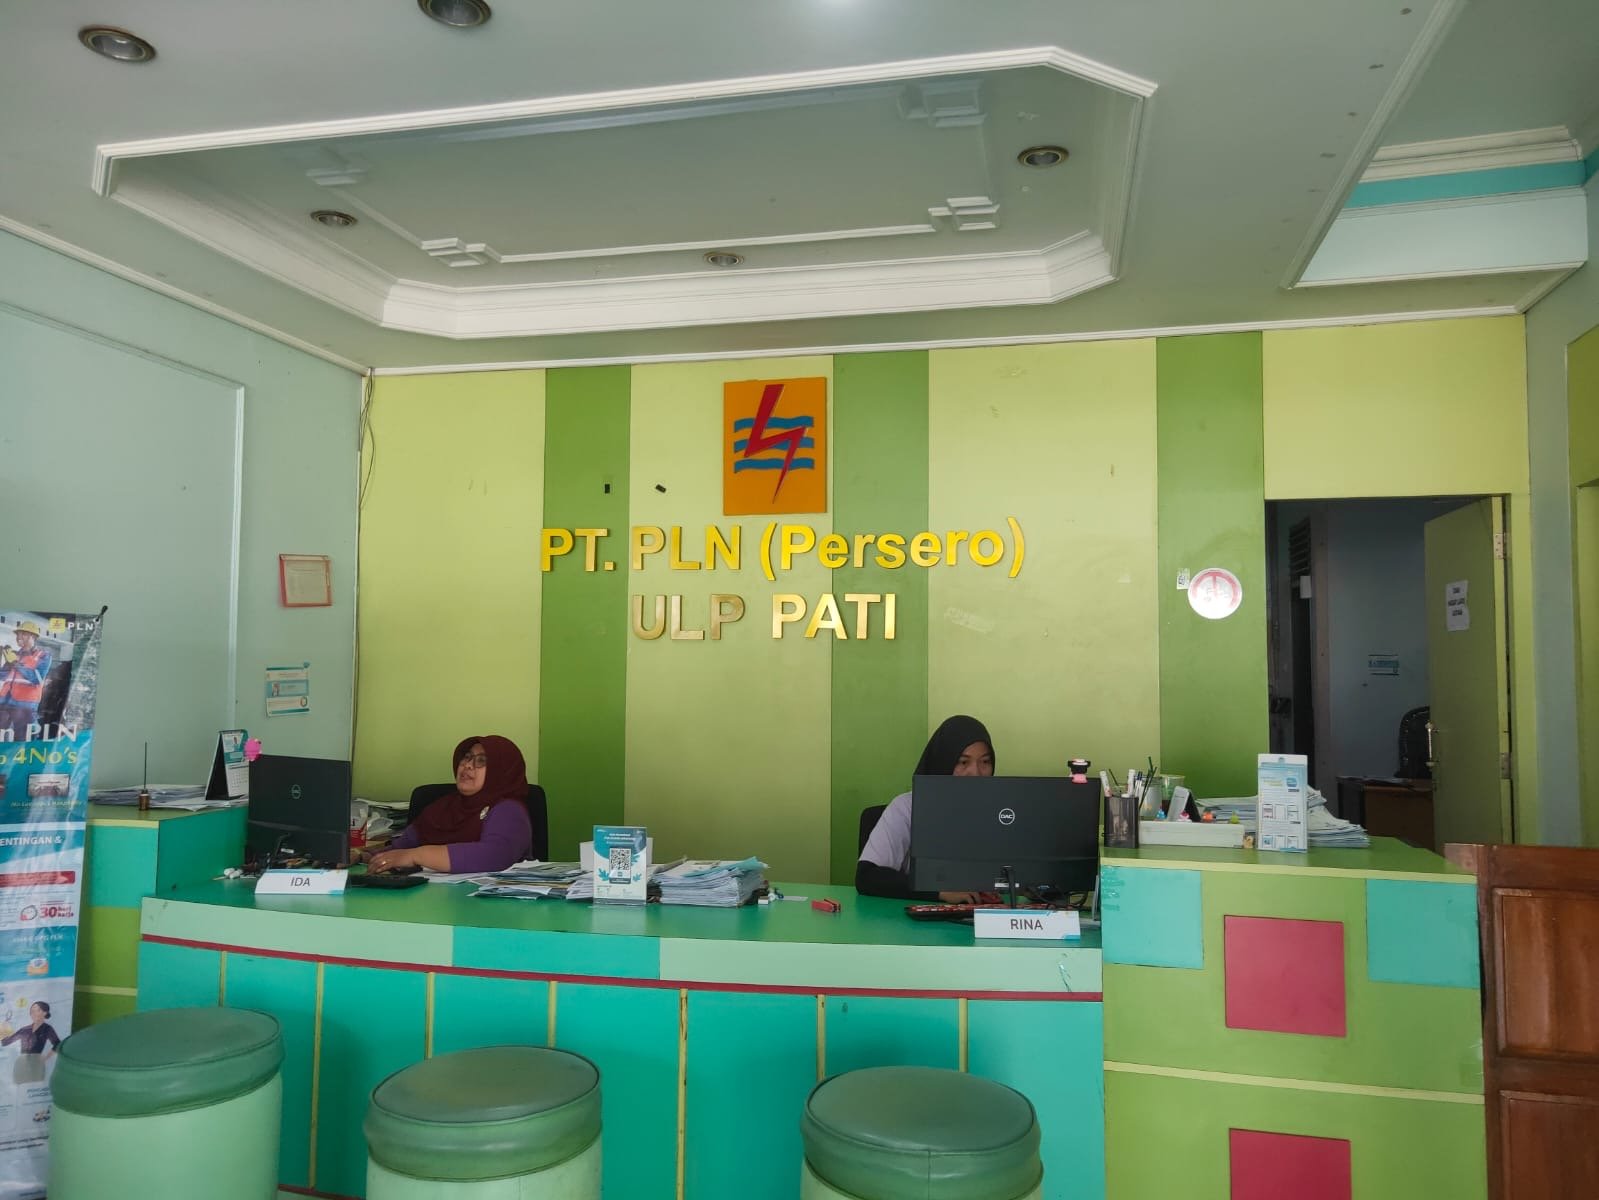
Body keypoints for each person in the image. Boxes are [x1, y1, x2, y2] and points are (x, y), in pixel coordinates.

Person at [856, 715, 996, 901]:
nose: (975, 773)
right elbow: (867, 876)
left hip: (985, 914)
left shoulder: (1001, 811)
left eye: (985, 762)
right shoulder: (907, 807)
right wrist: (939, 892)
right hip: (917, 917)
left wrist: (1026, 886)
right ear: (943, 762)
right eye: (963, 762)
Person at [366, 735, 533, 874]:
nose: (467, 765)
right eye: (466, 757)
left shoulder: (509, 809)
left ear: (501, 770)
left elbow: (495, 855)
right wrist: (360, 855)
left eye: (481, 760)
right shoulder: (443, 807)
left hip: (495, 901)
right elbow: (399, 850)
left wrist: (417, 856)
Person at [0, 622, 53, 741]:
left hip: (24, 705)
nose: (19, 637)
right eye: (18, 634)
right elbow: (2, 676)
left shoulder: (43, 656)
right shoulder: (13, 654)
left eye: (23, 634)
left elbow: (37, 679)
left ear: (33, 636)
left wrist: (15, 663)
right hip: (3, 701)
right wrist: (7, 663)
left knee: (22, 740)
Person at [2, 1002, 59, 1084]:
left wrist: (46, 1057)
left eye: (37, 1010)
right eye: (32, 1011)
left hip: (37, 1062)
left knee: (35, 1085)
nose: (33, 1013)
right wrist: (4, 1027)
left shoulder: (47, 1029)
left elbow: (57, 1044)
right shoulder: (24, 1029)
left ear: (45, 1012)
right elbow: (5, 1042)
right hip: (22, 1062)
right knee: (20, 1086)